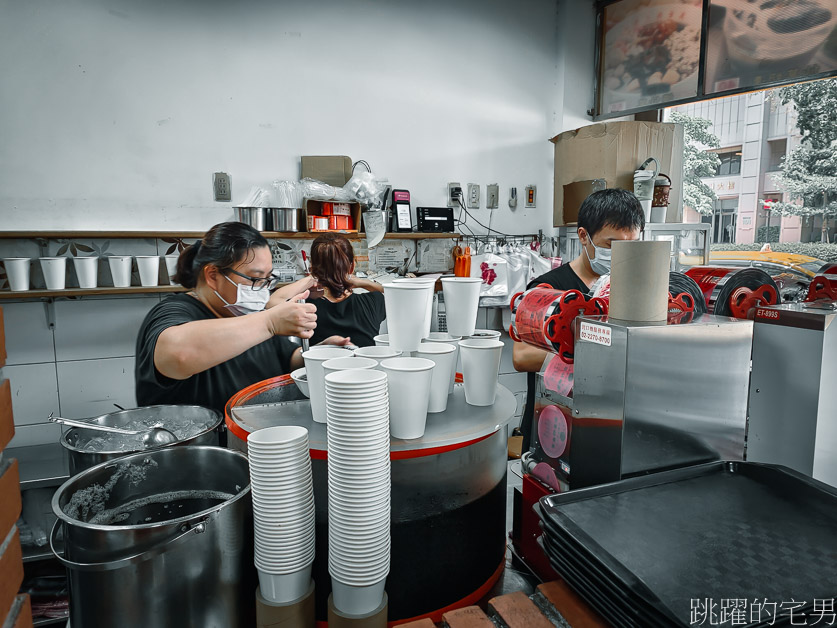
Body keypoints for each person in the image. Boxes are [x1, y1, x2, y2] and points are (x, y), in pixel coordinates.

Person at [135, 222, 349, 413]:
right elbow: (177, 353)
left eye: (267, 279)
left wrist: (320, 354)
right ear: (213, 275)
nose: (262, 289)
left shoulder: (249, 314)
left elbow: (287, 359)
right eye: (255, 278)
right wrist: (270, 322)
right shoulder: (174, 311)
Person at [512, 189, 645, 450]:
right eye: (612, 244)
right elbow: (521, 355)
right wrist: (597, 352)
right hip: (554, 422)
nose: (623, 255)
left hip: (608, 423)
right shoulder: (547, 288)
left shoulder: (633, 289)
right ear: (584, 236)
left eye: (632, 245)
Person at [305, 233, 386, 347]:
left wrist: (312, 278)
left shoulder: (306, 307)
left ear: (312, 268)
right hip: (366, 364)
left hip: (319, 365)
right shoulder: (373, 301)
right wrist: (364, 282)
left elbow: (275, 301)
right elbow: (396, 295)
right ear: (352, 266)